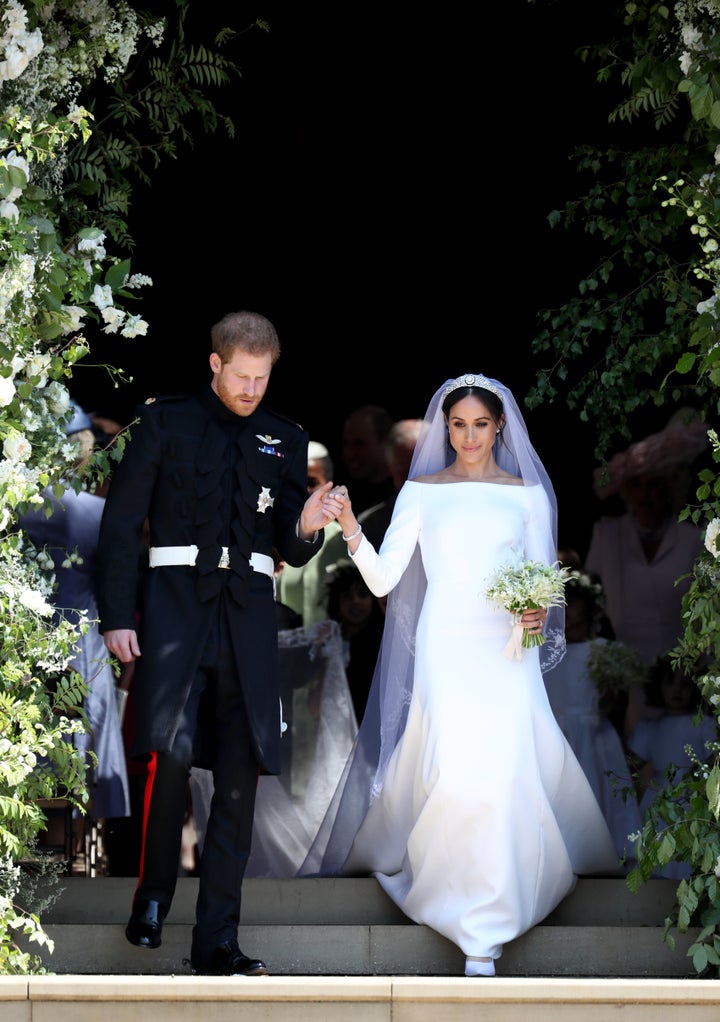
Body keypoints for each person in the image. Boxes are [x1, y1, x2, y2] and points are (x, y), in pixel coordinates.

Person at [302, 372, 620, 978]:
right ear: (444, 429)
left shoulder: (527, 496)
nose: (469, 436)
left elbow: (542, 583)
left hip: (507, 649)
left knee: (501, 773)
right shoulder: (422, 492)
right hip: (446, 644)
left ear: (499, 426)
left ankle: (487, 928)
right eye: (457, 425)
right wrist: (350, 529)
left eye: (479, 424)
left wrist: (534, 616)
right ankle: (466, 915)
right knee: (455, 771)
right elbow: (383, 581)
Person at [95, 310, 336, 977]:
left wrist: (310, 524)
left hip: (250, 620)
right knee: (166, 752)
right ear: (216, 363)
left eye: (262, 378)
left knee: (238, 778)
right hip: (173, 610)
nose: (252, 389)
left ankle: (217, 941)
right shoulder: (165, 422)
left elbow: (289, 543)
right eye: (242, 376)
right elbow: (120, 526)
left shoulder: (284, 438)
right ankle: (152, 896)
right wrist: (118, 614)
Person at [19, 400, 131, 863]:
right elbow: (117, 587)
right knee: (84, 753)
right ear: (82, 451)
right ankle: (82, 856)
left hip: (24, 645)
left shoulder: (15, 510)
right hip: (82, 645)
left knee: (27, 750)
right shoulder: (98, 514)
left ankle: (26, 851)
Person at [585, 408, 707, 737]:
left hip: (683, 676)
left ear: (670, 486)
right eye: (636, 485)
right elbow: (589, 605)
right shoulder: (608, 535)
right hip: (625, 678)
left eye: (654, 485)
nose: (645, 495)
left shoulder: (692, 539)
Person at [542, 568, 642, 864]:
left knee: (599, 794)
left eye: (573, 604)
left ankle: (604, 855)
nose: (567, 613)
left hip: (593, 736)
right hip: (555, 735)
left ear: (589, 607)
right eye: (559, 605)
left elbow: (619, 705)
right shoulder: (544, 653)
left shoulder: (605, 651)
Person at [627, 654, 716, 879]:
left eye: (685, 685)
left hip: (693, 794)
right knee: (658, 837)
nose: (677, 691)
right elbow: (630, 765)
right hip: (658, 796)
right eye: (670, 683)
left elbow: (712, 759)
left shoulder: (704, 725)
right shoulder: (649, 728)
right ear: (658, 686)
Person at [274, 441, 343, 625]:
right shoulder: (273, 532)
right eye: (298, 483)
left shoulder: (341, 539)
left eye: (313, 483)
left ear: (328, 484)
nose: (305, 491)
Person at [325, 558, 385, 723]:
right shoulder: (328, 641)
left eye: (363, 594)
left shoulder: (379, 641)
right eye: (347, 596)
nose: (355, 601)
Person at [338, 404, 395, 514]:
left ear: (385, 442)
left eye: (359, 444)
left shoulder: (402, 490)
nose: (350, 453)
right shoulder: (344, 491)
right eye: (346, 443)